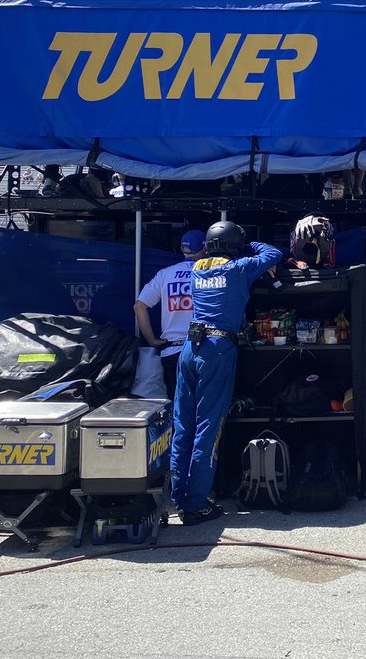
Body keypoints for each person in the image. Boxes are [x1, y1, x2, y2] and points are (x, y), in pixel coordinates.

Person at [170, 221, 282, 525]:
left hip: (189, 349)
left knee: (183, 426)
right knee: (209, 427)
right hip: (218, 349)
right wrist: (249, 247)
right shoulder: (238, 269)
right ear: (234, 246)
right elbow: (273, 253)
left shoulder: (196, 270)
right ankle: (195, 506)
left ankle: (177, 497)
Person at [132, 230, 207, 400]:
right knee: (203, 406)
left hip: (171, 350)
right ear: (205, 249)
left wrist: (152, 340)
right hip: (202, 347)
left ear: (182, 249)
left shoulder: (165, 274)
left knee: (178, 407)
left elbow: (139, 307)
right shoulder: (209, 274)